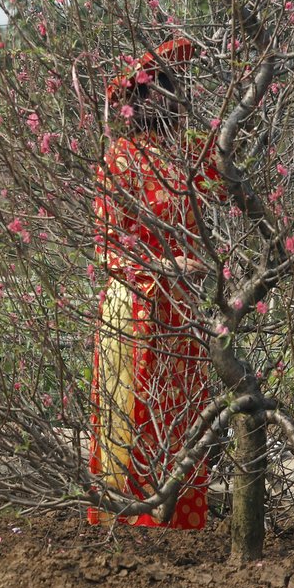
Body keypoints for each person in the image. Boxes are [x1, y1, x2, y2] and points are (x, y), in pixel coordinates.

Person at [89, 38, 222, 529]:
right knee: (135, 414)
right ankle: (131, 522)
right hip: (137, 307)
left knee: (182, 417)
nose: (170, 97)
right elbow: (107, 247)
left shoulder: (190, 155)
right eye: (158, 89)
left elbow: (227, 184)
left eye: (173, 87)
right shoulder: (119, 159)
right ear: (138, 102)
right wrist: (167, 267)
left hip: (183, 312)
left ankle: (179, 525)